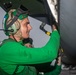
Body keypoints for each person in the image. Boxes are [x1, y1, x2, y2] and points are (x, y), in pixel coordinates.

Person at [0, 6, 60, 75]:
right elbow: (50, 53)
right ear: (14, 27)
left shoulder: (19, 46)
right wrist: (55, 31)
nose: (30, 27)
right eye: (26, 24)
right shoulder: (8, 49)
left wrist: (58, 66)